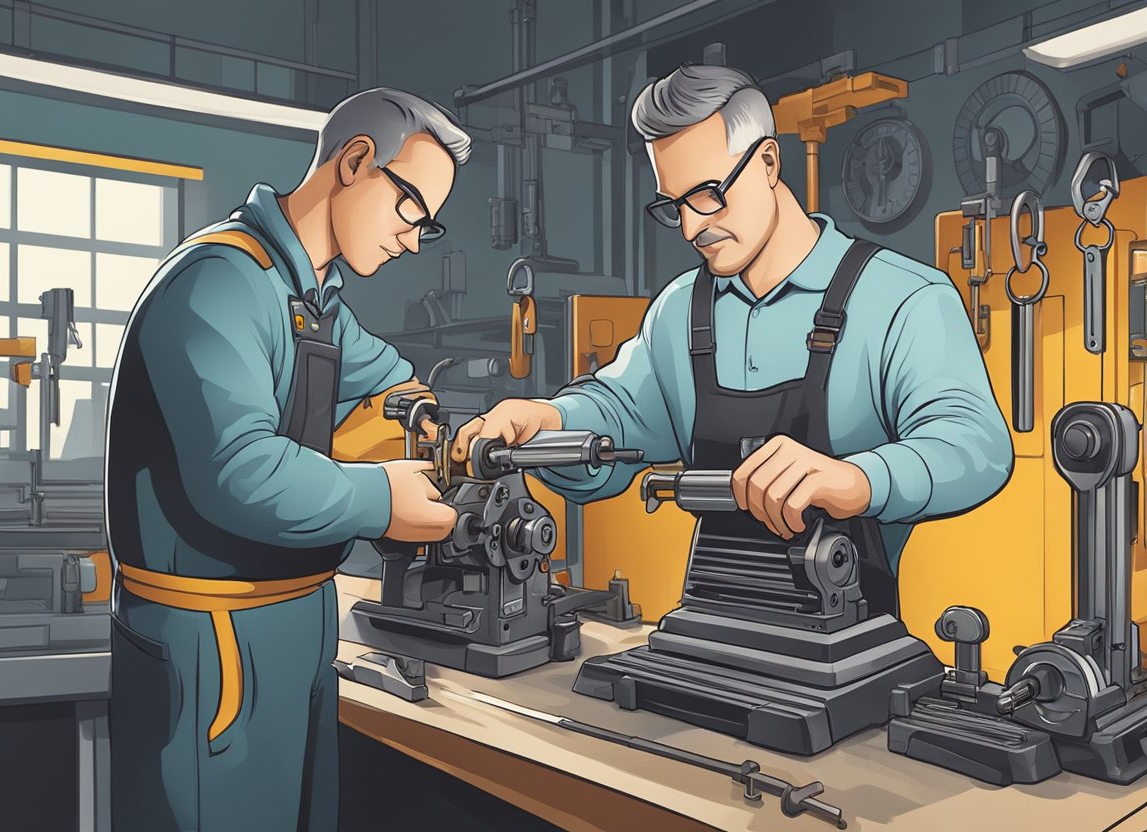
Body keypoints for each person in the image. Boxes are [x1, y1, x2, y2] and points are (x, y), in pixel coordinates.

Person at [453, 64, 1012, 607]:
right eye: (675, 206)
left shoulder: (903, 299)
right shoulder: (681, 309)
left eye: (708, 193)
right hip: (708, 622)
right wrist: (549, 422)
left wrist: (858, 478)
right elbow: (621, 414)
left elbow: (975, 447)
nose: (694, 226)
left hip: (847, 639)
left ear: (768, 161)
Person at [105, 87, 467, 831]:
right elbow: (240, 472)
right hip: (215, 648)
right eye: (411, 211)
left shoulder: (314, 296)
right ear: (357, 162)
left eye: (427, 226)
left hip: (300, 627)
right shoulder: (218, 285)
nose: (412, 238)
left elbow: (386, 376)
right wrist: (379, 499)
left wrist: (436, 422)